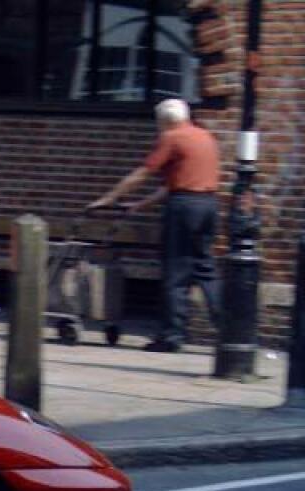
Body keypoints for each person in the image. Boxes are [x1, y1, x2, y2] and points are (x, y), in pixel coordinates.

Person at [86, 98, 222, 353]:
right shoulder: (206, 137)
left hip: (184, 208)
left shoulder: (172, 137)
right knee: (205, 268)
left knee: (175, 272)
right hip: (208, 205)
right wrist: (139, 205)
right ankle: (227, 329)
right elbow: (173, 184)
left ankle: (171, 336)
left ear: (166, 120)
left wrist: (110, 198)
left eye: (158, 122)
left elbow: (143, 173)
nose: (158, 127)